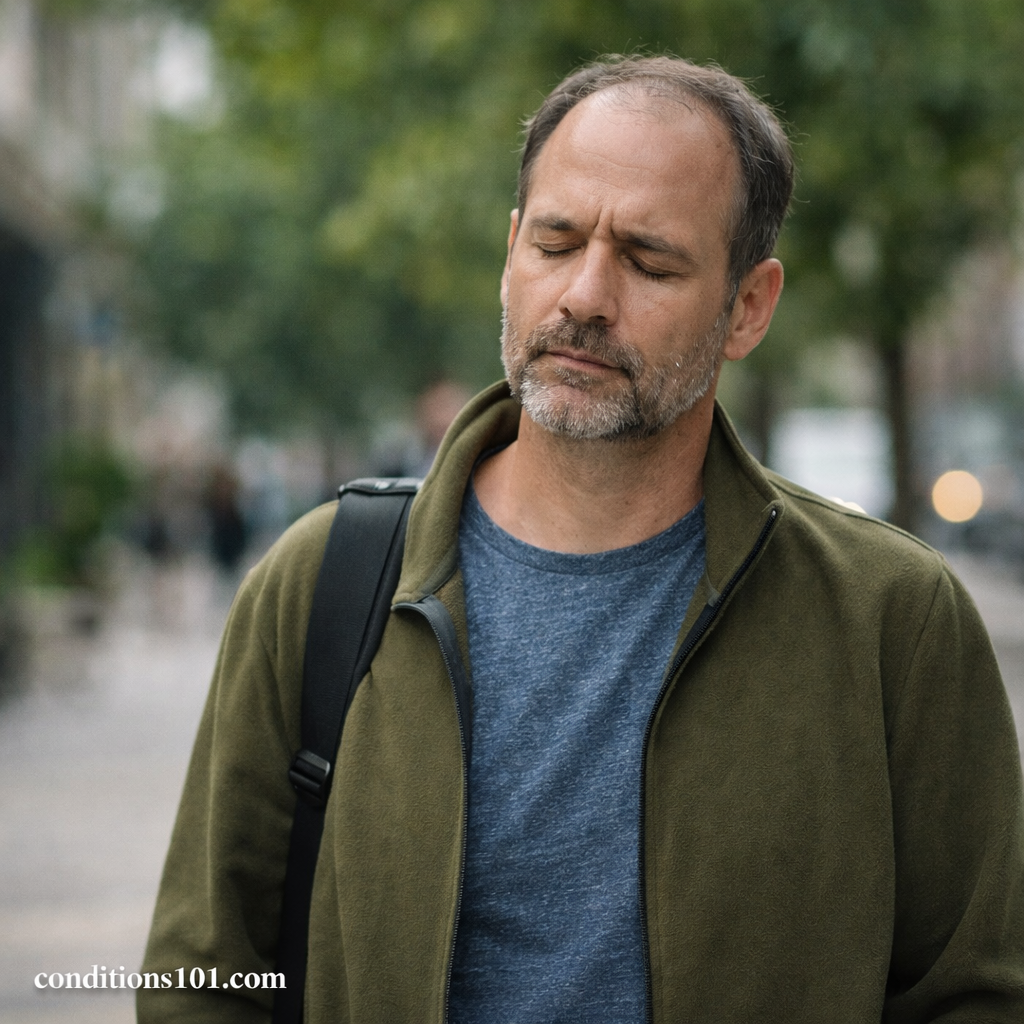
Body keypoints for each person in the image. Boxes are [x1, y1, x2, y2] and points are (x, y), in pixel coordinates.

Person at [138, 56, 1024, 1023]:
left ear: (750, 306)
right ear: (511, 250)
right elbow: (201, 980)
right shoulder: (322, 584)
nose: (585, 297)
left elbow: (977, 989)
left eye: (649, 261)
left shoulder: (891, 618)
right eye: (556, 243)